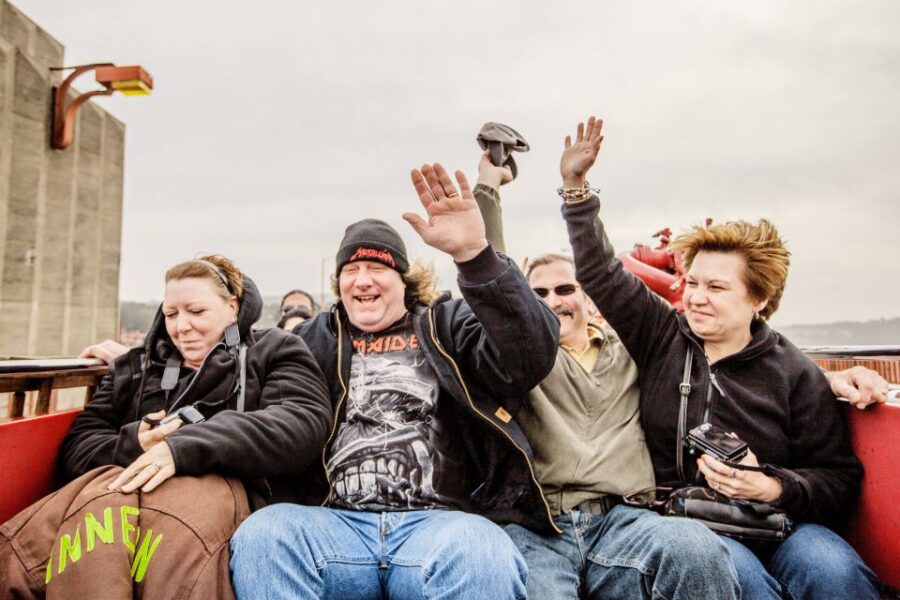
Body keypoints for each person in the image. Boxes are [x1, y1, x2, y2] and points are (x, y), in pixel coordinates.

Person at [558, 116, 881, 599]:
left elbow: (838, 480)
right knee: (743, 581)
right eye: (692, 284)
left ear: (759, 299)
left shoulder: (796, 373)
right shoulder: (660, 333)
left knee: (836, 574)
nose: (696, 298)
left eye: (716, 287)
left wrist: (768, 486)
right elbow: (601, 273)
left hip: (781, 521)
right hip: (692, 525)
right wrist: (576, 190)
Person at [229, 163, 561, 599]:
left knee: (483, 552)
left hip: (438, 526)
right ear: (339, 284)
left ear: (404, 281)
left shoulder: (447, 325)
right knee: (264, 535)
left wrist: (475, 254)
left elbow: (528, 354)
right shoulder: (311, 339)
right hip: (335, 524)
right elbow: (241, 384)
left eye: (377, 268)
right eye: (351, 270)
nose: (363, 279)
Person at [473, 152, 740, 599]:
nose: (553, 300)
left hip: (625, 520)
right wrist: (488, 188)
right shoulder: (519, 359)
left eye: (564, 289)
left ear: (587, 297)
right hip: (539, 525)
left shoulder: (635, 351)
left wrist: (828, 380)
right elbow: (489, 278)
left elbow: (728, 350)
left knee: (696, 549)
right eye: (537, 293)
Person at [1, 255, 332, 599]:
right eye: (171, 314)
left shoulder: (274, 351)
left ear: (232, 307)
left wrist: (183, 448)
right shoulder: (136, 368)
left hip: (219, 509)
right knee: (96, 513)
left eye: (196, 312)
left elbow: (301, 422)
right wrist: (137, 443)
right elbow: (79, 444)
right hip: (120, 514)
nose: (181, 327)